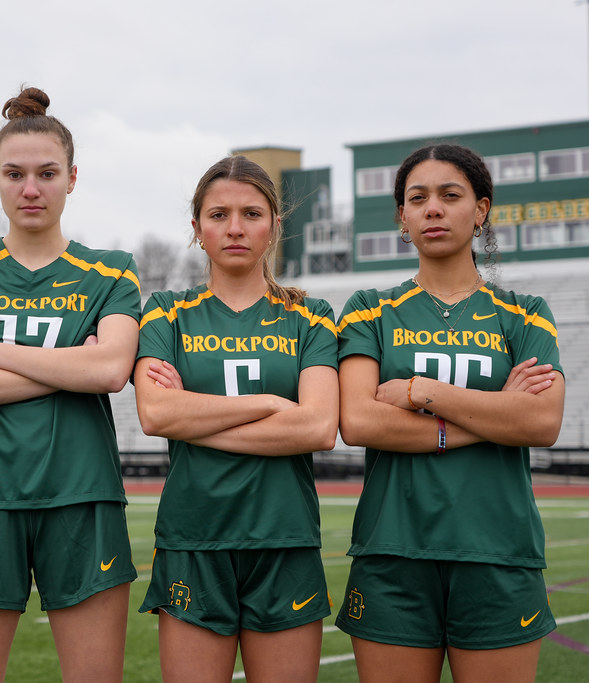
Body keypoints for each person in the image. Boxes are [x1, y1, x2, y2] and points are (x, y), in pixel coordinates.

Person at [0, 86, 141, 682]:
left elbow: (112, 371)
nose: (31, 188)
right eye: (14, 174)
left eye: (47, 173)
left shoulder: (111, 271)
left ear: (73, 177)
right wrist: (70, 366)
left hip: (81, 491)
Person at [334, 143, 565, 683]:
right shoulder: (369, 307)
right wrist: (494, 415)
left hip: (498, 550)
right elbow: (360, 422)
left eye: (450, 195)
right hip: (393, 550)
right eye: (418, 198)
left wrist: (420, 390)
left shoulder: (525, 313)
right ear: (402, 217)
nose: (432, 208)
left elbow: (541, 423)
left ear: (480, 210)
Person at [134, 155, 340, 682]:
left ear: (273, 225)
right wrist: (271, 405)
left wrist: (197, 417)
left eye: (251, 213)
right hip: (192, 538)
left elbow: (317, 428)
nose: (234, 228)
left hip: (284, 537)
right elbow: (157, 414)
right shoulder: (164, 312)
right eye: (218, 214)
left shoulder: (310, 316)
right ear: (197, 228)